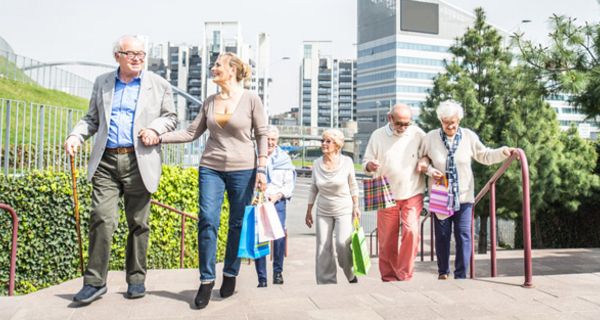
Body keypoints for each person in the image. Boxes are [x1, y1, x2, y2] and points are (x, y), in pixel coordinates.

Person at [63, 35, 177, 304]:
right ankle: (94, 282)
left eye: (141, 54)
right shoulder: (102, 82)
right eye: (131, 53)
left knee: (139, 223)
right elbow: (92, 118)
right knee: (102, 218)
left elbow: (171, 118)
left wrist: (154, 129)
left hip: (140, 162)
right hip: (106, 161)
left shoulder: (159, 85)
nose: (138, 58)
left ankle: (136, 280)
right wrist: (76, 136)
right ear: (117, 56)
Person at [157, 52, 268, 309]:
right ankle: (206, 279)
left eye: (218, 65)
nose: (213, 68)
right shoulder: (209, 101)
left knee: (237, 224)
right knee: (208, 220)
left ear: (232, 70)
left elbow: (262, 134)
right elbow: (190, 132)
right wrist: (158, 136)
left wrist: (261, 169)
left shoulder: (252, 99)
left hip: (244, 169)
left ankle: (230, 273)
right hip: (211, 168)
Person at [419, 100, 515, 280]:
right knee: (442, 236)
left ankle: (461, 274)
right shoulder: (431, 138)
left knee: (464, 236)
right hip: (441, 195)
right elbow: (422, 159)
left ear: (459, 120)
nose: (450, 125)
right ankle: (443, 272)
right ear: (440, 120)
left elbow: (484, 155)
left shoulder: (468, 136)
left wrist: (503, 152)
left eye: (453, 121)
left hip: (464, 196)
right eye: (446, 121)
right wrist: (431, 171)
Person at [362, 103, 426, 281]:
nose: (403, 127)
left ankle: (404, 274)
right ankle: (389, 276)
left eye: (407, 123)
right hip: (385, 190)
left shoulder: (418, 134)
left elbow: (427, 154)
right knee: (386, 239)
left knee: (411, 231)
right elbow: (365, 162)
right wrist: (369, 165)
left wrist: (424, 163)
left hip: (412, 190)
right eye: (399, 123)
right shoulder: (378, 135)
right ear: (390, 118)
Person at [305, 129, 359, 284]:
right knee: (323, 246)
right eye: (323, 140)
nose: (324, 144)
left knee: (342, 244)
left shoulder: (347, 162)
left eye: (328, 141)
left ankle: (350, 274)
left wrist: (356, 206)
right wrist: (309, 210)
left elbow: (353, 185)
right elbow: (313, 188)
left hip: (343, 207)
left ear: (337, 145)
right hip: (323, 209)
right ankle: (326, 282)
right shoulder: (316, 163)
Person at [254, 126, 296, 288]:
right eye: (267, 139)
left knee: (279, 237)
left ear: (277, 141)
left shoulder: (284, 158)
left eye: (273, 139)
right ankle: (262, 278)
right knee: (260, 238)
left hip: (277, 201)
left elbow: (288, 185)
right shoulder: (256, 157)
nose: (270, 142)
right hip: (259, 201)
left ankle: (277, 272)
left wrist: (277, 196)